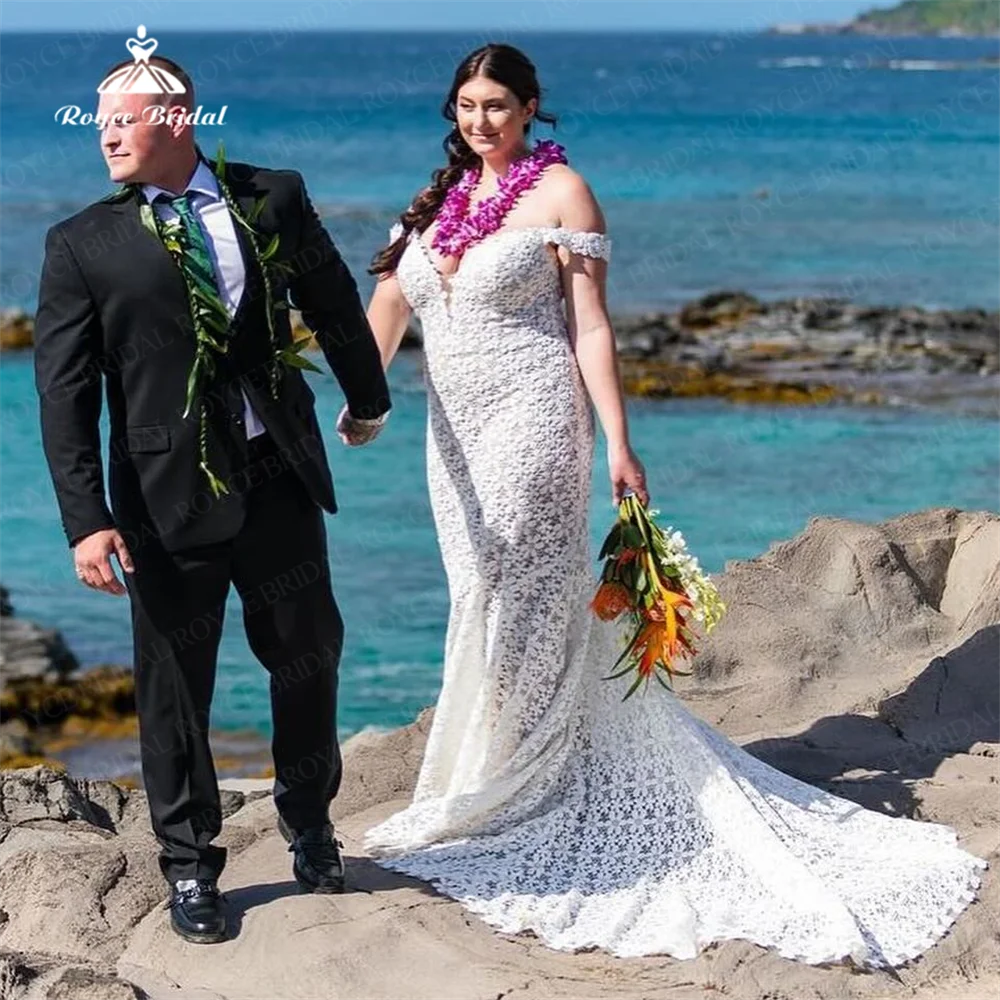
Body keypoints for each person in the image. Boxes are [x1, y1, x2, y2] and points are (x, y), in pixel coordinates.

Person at [360, 43, 986, 967]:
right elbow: (387, 307)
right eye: (465, 104)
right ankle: (500, 762)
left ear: (531, 108)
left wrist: (618, 441)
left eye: (497, 104)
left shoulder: (563, 192)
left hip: (536, 419)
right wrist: (359, 398)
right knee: (475, 592)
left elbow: (591, 324)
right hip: (450, 438)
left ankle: (525, 784)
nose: (480, 120)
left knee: (518, 591)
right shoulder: (437, 203)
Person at [33, 53, 391, 945]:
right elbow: (64, 393)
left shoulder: (270, 197)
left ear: (179, 120)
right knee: (173, 689)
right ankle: (191, 865)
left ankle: (308, 823)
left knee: (308, 652)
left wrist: (368, 393)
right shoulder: (82, 243)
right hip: (163, 498)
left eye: (123, 116)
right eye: (98, 118)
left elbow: (331, 294)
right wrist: (88, 521)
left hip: (277, 477)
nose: (105, 132)